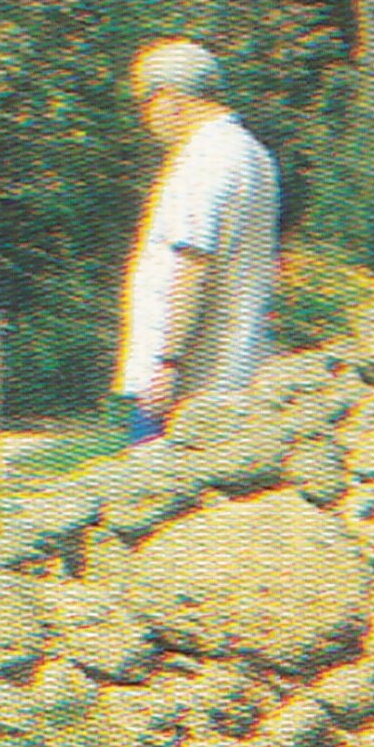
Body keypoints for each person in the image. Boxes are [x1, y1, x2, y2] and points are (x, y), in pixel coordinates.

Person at [115, 38, 282, 449]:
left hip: (189, 379)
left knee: (149, 496)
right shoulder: (251, 154)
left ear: (169, 97)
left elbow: (191, 262)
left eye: (144, 103)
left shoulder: (205, 159)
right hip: (233, 369)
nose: (145, 118)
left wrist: (167, 361)